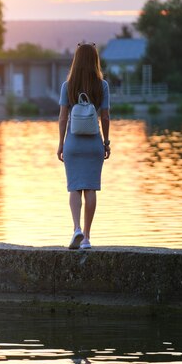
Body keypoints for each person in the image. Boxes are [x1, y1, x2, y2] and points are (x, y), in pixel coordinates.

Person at [57, 42, 111, 250]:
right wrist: (106, 142)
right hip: (93, 144)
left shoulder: (67, 86)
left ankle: (76, 229)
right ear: (95, 60)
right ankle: (87, 238)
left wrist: (61, 144)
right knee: (90, 189)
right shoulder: (102, 85)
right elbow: (105, 117)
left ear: (76, 60)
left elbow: (63, 118)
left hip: (73, 143)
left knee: (74, 189)